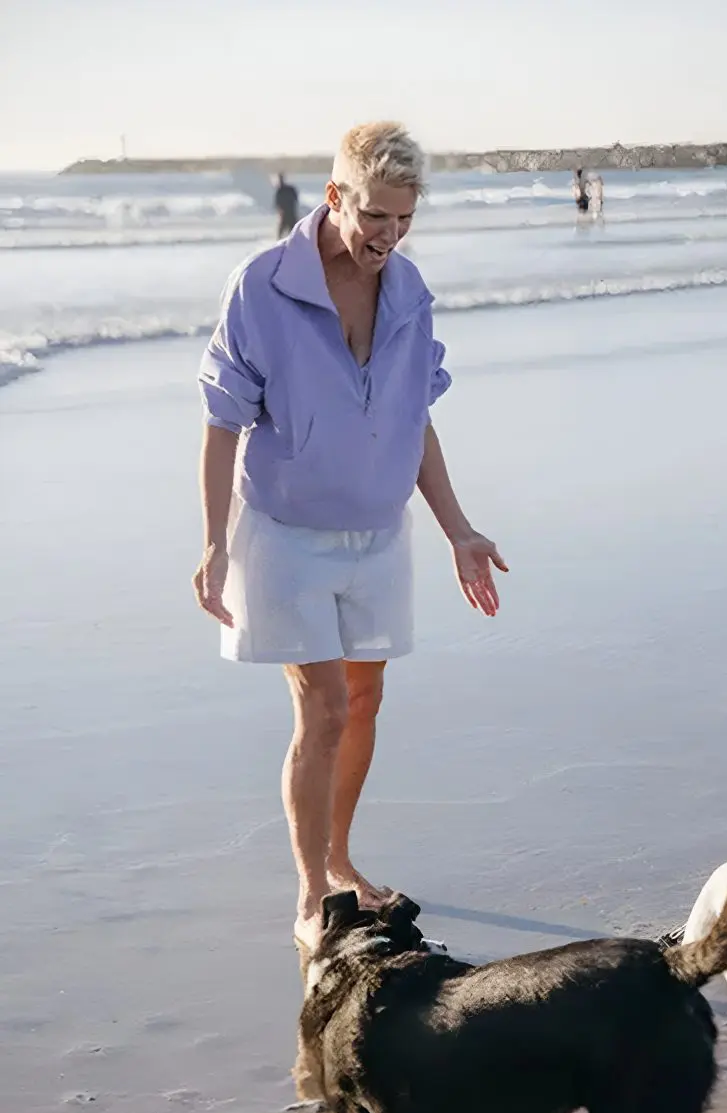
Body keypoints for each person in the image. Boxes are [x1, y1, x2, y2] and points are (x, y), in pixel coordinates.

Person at [193, 122, 507, 950]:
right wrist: (214, 542)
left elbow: (414, 419)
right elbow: (222, 422)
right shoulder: (261, 286)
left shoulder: (407, 290)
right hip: (285, 533)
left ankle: (340, 860)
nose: (388, 237)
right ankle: (308, 896)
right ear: (335, 196)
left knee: (364, 700)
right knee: (323, 705)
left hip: (376, 532)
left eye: (403, 221)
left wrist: (458, 530)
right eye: (374, 216)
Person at [273, 172, 299, 238]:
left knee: (284, 233)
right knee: (294, 232)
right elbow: (296, 199)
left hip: (286, 214)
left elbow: (277, 204)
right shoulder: (290, 189)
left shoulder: (281, 191)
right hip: (290, 214)